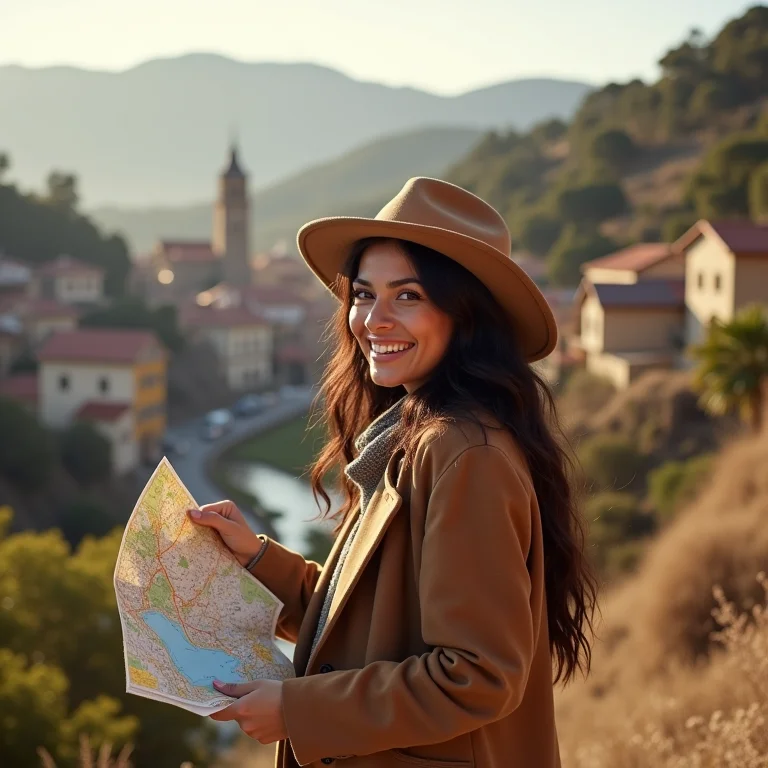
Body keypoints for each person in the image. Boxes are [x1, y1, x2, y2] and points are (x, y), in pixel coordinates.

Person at [188, 177, 598, 768]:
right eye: (362, 294)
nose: (373, 320)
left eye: (408, 296)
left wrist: (298, 711)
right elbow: (363, 623)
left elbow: (479, 676)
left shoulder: (463, 453)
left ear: (468, 315)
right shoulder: (413, 435)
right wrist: (256, 558)